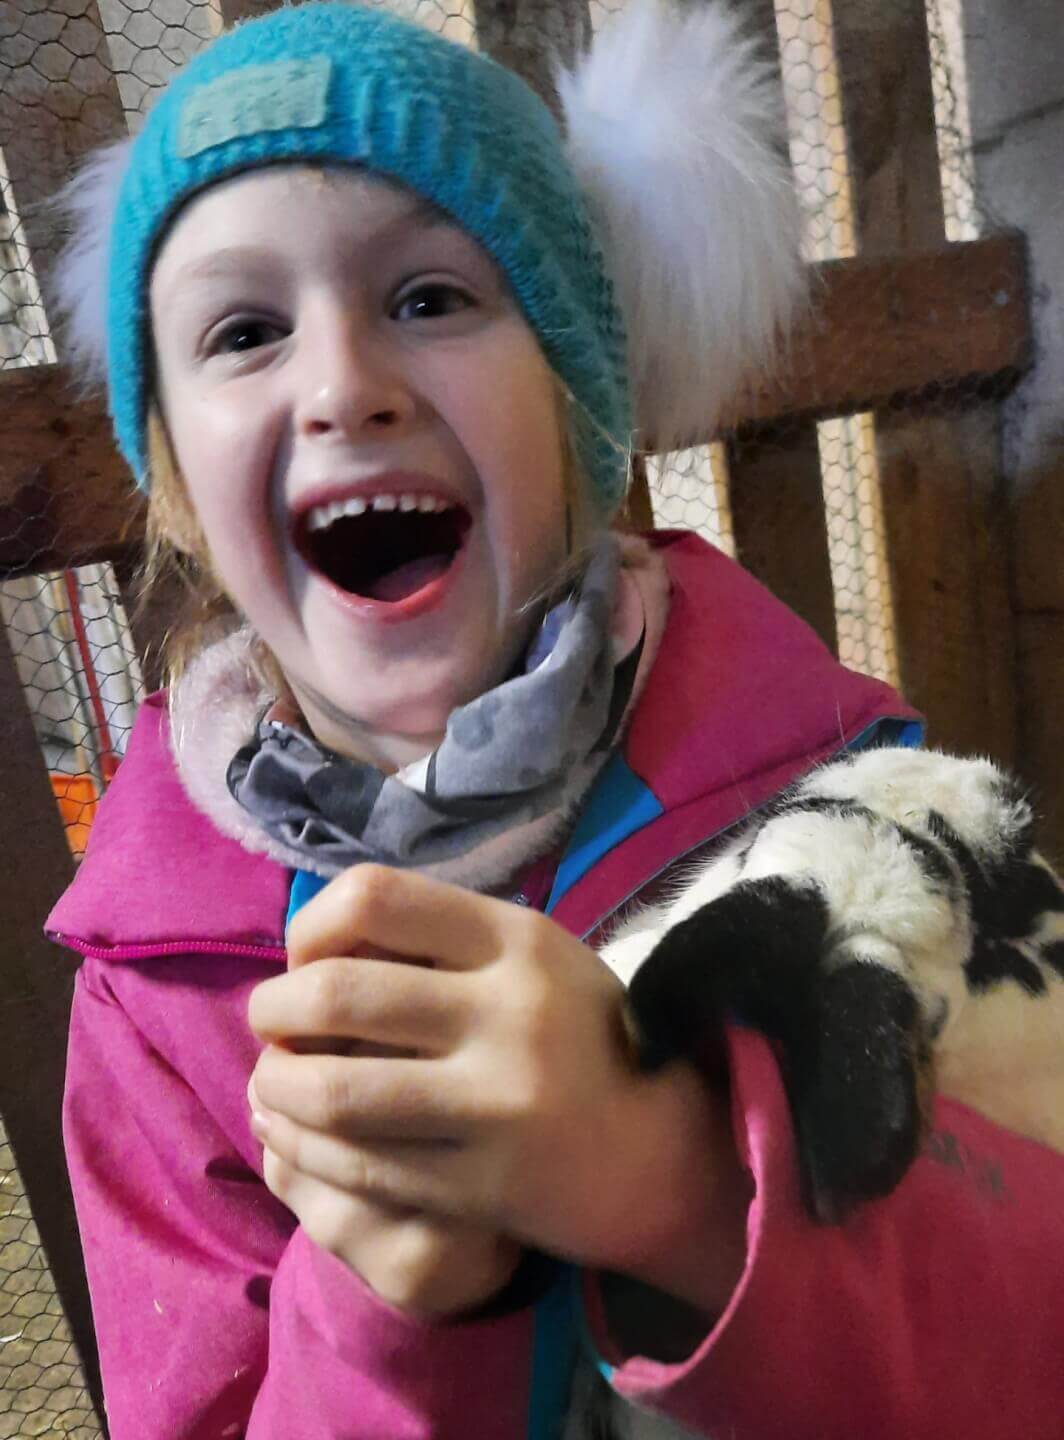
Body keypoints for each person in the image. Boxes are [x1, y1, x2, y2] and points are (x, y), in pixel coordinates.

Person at [45, 3, 1062, 1437]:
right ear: (180, 496)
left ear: (585, 403)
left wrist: (680, 1187)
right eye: (245, 330)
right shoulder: (155, 996)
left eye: (430, 298)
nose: (342, 387)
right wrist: (396, 1309)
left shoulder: (874, 818)